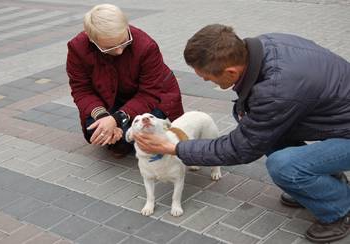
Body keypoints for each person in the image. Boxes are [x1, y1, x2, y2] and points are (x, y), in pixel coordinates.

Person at [134, 24, 350, 243]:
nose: (207, 82)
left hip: (345, 131)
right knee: (247, 115)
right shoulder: (264, 46)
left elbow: (242, 148)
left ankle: (338, 209)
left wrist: (175, 148)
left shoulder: (277, 90)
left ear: (231, 72)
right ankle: (325, 180)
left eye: (208, 78)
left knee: (283, 167)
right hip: (336, 118)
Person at [66, 4, 184, 158]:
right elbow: (81, 90)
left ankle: (124, 140)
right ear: (92, 39)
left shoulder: (146, 46)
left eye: (124, 42)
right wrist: (103, 117)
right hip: (108, 99)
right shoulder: (77, 48)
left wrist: (117, 119)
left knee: (138, 133)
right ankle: (122, 140)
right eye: (109, 48)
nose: (119, 50)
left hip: (154, 98)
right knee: (95, 133)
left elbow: (149, 93)